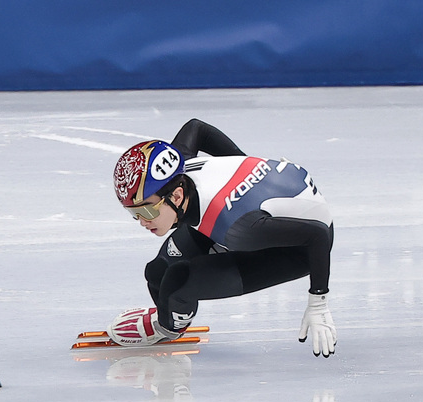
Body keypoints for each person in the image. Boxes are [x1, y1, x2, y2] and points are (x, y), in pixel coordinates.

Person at [108, 118, 337, 357]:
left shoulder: (238, 228)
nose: (142, 222)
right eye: (133, 213)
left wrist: (318, 303)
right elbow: (196, 128)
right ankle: (174, 315)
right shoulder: (180, 166)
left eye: (146, 211)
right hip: (259, 215)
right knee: (157, 272)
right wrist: (240, 162)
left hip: (300, 248)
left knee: (176, 284)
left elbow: (318, 235)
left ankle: (169, 327)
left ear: (176, 196)